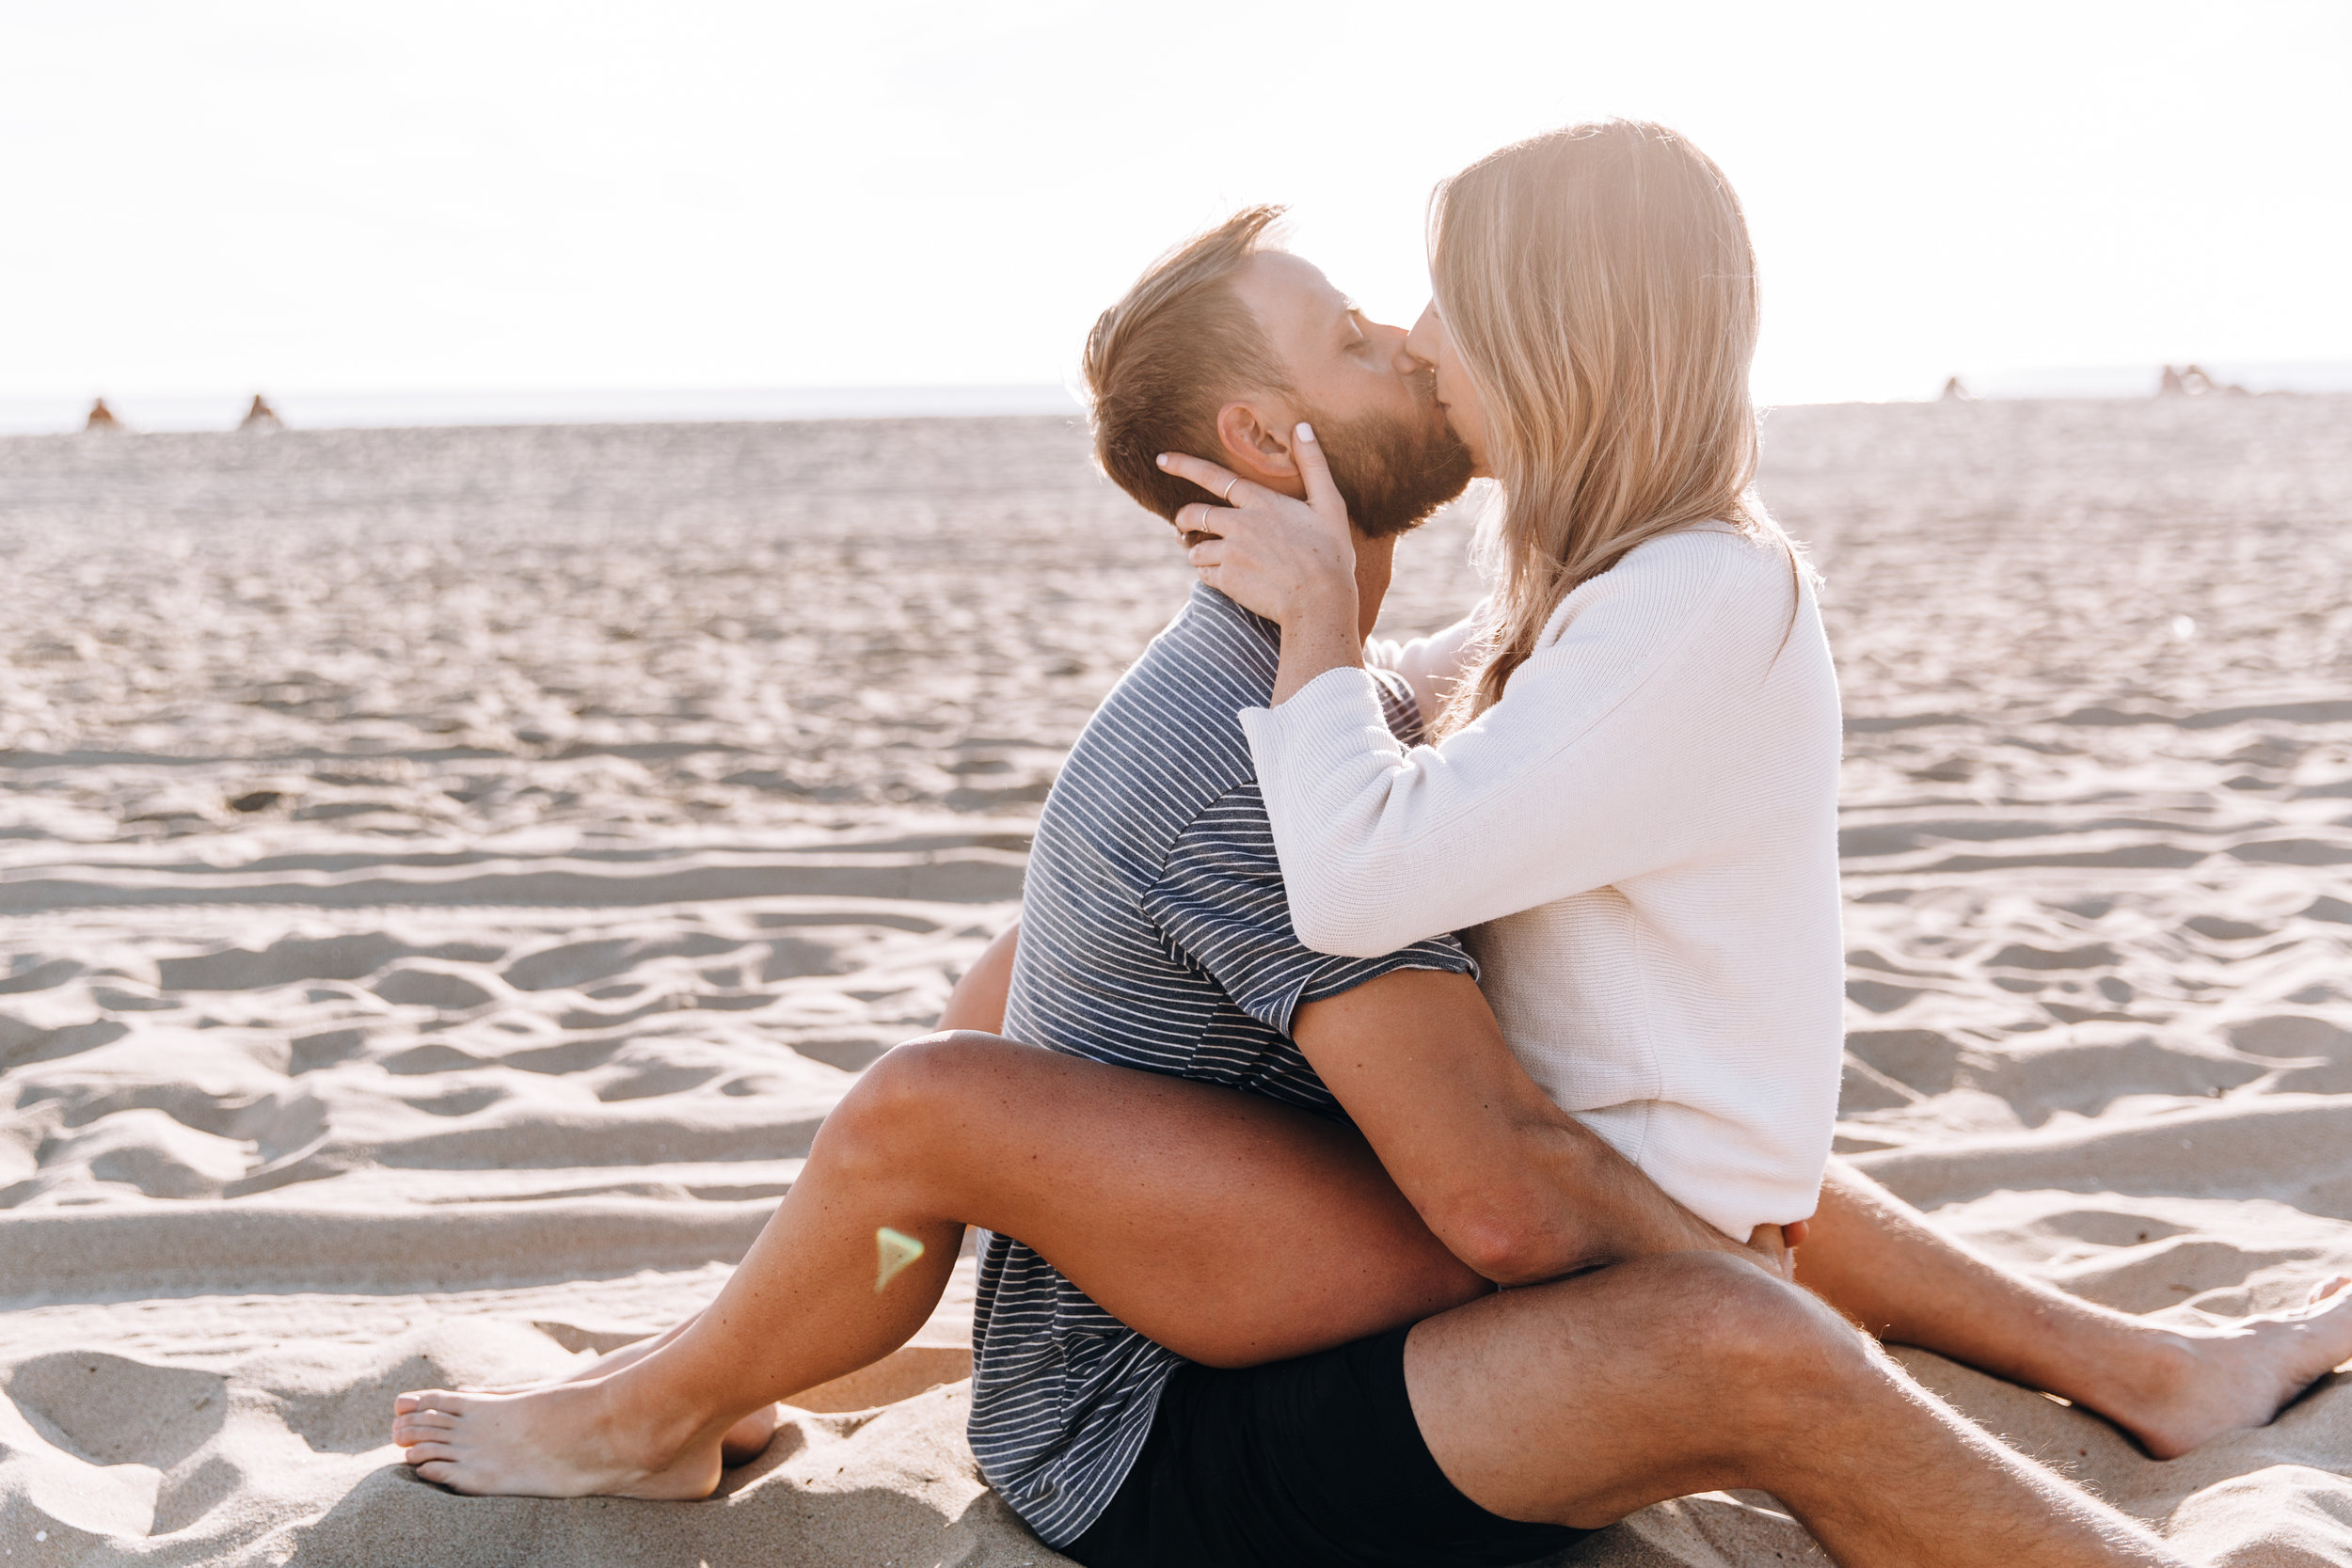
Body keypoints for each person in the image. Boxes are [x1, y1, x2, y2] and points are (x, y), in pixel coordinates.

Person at [393, 126, 2352, 1568]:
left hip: (1248, 1311)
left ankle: (2138, 1369)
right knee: (1685, 1281)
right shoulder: (1256, 748)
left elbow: (1474, 734)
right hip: (1167, 1448)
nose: (1415, 346)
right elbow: (1503, 1208)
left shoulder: (1404, 668)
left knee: (1655, 1113)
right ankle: (673, 1400)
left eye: (1424, 315)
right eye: (1357, 338)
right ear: (1268, 446)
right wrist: (1737, 1283)